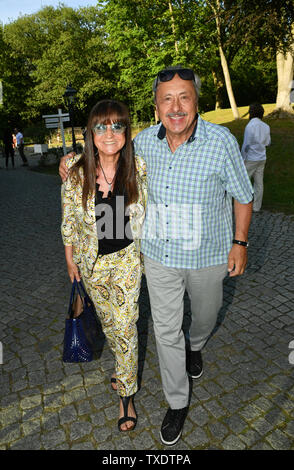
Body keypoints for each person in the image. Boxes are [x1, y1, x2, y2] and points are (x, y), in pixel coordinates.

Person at [59, 65, 253, 446]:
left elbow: (243, 195)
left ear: (196, 101)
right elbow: (101, 153)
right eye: (167, 99)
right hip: (158, 257)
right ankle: (177, 402)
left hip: (208, 254)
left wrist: (240, 242)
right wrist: (70, 160)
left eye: (184, 97)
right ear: (156, 106)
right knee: (165, 331)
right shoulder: (143, 143)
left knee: (205, 315)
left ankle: (195, 345)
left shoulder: (221, 141)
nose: (176, 107)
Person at [61, 99, 147, 432]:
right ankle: (122, 368)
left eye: (117, 125)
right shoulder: (76, 172)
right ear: (90, 132)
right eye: (101, 126)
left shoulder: (138, 167)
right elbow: (69, 219)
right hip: (92, 265)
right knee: (111, 326)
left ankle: (127, 395)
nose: (109, 133)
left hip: (126, 261)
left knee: (126, 327)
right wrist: (70, 258)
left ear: (126, 130)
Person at [241, 103, 271, 212]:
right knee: (259, 183)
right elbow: (268, 142)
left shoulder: (250, 126)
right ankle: (256, 207)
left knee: (242, 181)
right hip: (262, 158)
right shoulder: (266, 126)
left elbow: (246, 145)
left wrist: (241, 159)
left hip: (251, 159)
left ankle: (242, 204)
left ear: (251, 113)